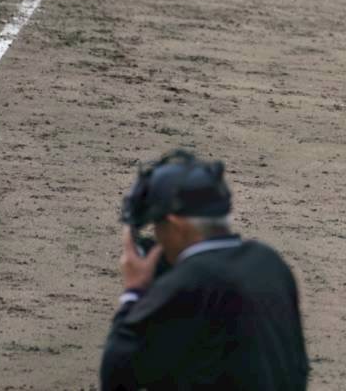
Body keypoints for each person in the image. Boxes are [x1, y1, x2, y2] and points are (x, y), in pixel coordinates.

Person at [100, 149, 309, 390]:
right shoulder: (269, 262)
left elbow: (117, 373)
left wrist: (134, 292)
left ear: (176, 225)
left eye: (157, 224)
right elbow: (297, 366)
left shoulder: (189, 281)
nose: (156, 236)